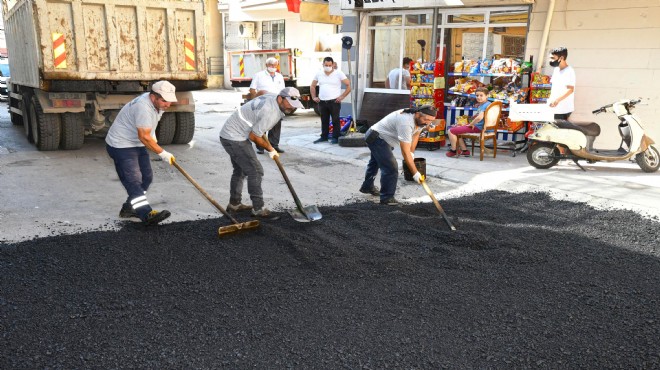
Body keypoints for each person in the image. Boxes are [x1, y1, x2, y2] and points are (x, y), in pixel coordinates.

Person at [219, 87, 304, 218]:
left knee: (240, 170)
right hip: (235, 138)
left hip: (228, 133)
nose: (292, 108)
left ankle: (234, 204)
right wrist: (271, 149)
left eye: (294, 105)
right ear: (280, 98)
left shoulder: (273, 96)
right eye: (290, 104)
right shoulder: (271, 112)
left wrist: (256, 118)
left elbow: (261, 92)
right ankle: (258, 208)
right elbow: (254, 136)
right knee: (255, 171)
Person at [105, 80, 178, 225]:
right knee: (134, 180)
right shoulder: (143, 107)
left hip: (136, 143)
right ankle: (146, 213)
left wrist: (153, 140)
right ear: (153, 96)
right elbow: (144, 136)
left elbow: (149, 129)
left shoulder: (157, 105)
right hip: (121, 145)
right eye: (164, 101)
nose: (167, 105)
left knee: (147, 177)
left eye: (170, 101)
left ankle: (129, 208)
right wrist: (162, 153)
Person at [360, 105, 437, 205]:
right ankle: (387, 198)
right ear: (417, 114)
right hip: (376, 138)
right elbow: (404, 152)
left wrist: (412, 153)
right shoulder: (405, 123)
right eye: (426, 119)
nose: (428, 123)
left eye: (431, 121)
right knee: (390, 167)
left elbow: (415, 135)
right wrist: (415, 173)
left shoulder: (420, 120)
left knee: (375, 163)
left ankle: (367, 187)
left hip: (385, 139)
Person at [249, 57, 286, 154]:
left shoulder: (279, 76)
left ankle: (274, 145)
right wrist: (254, 103)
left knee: (276, 125)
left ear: (277, 66)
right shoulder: (259, 75)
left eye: (274, 65)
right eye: (270, 65)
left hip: (277, 103)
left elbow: (282, 90)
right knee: (262, 125)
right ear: (266, 65)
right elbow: (252, 90)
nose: (273, 67)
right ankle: (261, 146)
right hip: (264, 103)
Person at [310, 57, 351, 144]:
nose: (328, 67)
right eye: (326, 65)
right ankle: (324, 136)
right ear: (323, 65)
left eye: (329, 65)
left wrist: (342, 97)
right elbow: (312, 86)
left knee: (335, 120)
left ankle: (336, 137)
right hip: (322, 102)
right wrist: (314, 97)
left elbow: (349, 85)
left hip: (334, 102)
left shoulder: (339, 73)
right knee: (324, 120)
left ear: (333, 65)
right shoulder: (319, 74)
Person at [446, 86, 490, 158]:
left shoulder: (484, 106)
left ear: (487, 95)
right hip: (483, 126)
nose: (479, 97)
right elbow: (477, 116)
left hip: (479, 127)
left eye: (481, 95)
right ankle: (465, 151)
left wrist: (470, 124)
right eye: (477, 95)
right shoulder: (487, 104)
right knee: (457, 129)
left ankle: (453, 150)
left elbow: (479, 118)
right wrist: (467, 122)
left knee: (451, 130)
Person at [548, 46, 575, 120]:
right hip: (554, 107)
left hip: (563, 109)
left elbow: (570, 90)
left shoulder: (569, 71)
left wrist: (557, 100)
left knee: (560, 131)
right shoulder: (556, 70)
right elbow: (554, 87)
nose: (551, 60)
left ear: (561, 58)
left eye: (553, 58)